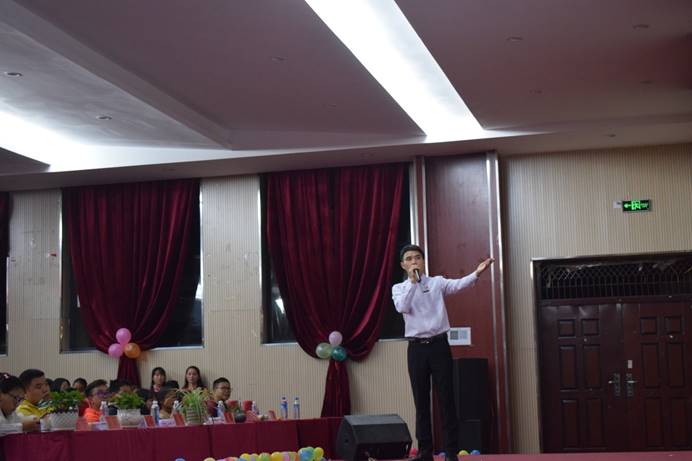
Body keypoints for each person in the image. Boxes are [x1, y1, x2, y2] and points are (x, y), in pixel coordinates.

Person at [392, 244, 493, 461]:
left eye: (417, 257)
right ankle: (425, 452)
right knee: (421, 402)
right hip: (416, 349)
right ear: (403, 265)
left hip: (439, 346)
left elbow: (458, 285)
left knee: (447, 400)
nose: (414, 261)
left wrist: (476, 273)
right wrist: (413, 283)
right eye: (409, 259)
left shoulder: (436, 283)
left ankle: (451, 452)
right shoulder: (399, 288)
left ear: (423, 261)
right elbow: (402, 307)